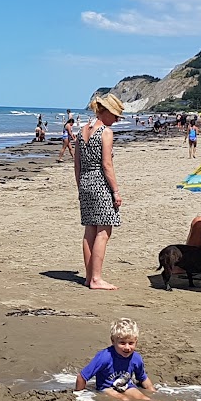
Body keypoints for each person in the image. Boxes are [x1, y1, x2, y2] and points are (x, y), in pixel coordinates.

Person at [74, 318, 184, 401]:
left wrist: (153, 392)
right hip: (107, 388)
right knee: (124, 399)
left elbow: (143, 378)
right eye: (122, 343)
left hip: (127, 385)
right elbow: (82, 377)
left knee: (142, 397)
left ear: (136, 342)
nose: (127, 347)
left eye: (131, 343)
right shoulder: (104, 357)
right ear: (113, 341)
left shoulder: (136, 358)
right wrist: (79, 396)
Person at [76, 93, 124, 290]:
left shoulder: (81, 131)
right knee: (104, 231)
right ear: (106, 112)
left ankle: (89, 277)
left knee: (90, 230)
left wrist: (80, 186)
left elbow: (77, 164)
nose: (117, 119)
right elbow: (107, 164)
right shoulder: (105, 132)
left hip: (85, 182)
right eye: (115, 115)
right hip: (100, 183)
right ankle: (96, 278)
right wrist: (116, 191)